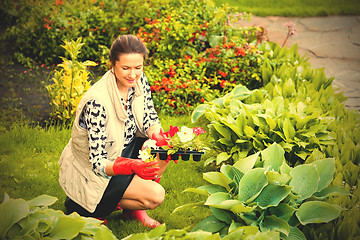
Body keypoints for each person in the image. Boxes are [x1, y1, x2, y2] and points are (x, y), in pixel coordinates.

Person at [58, 34, 170, 228]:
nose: (133, 75)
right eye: (125, 68)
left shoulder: (138, 80)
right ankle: (89, 209)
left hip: (124, 150)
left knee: (161, 150)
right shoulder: (97, 103)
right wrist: (133, 166)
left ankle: (132, 209)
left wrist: (158, 137)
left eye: (138, 67)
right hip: (96, 172)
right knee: (156, 195)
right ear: (112, 64)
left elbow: (149, 116)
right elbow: (98, 163)